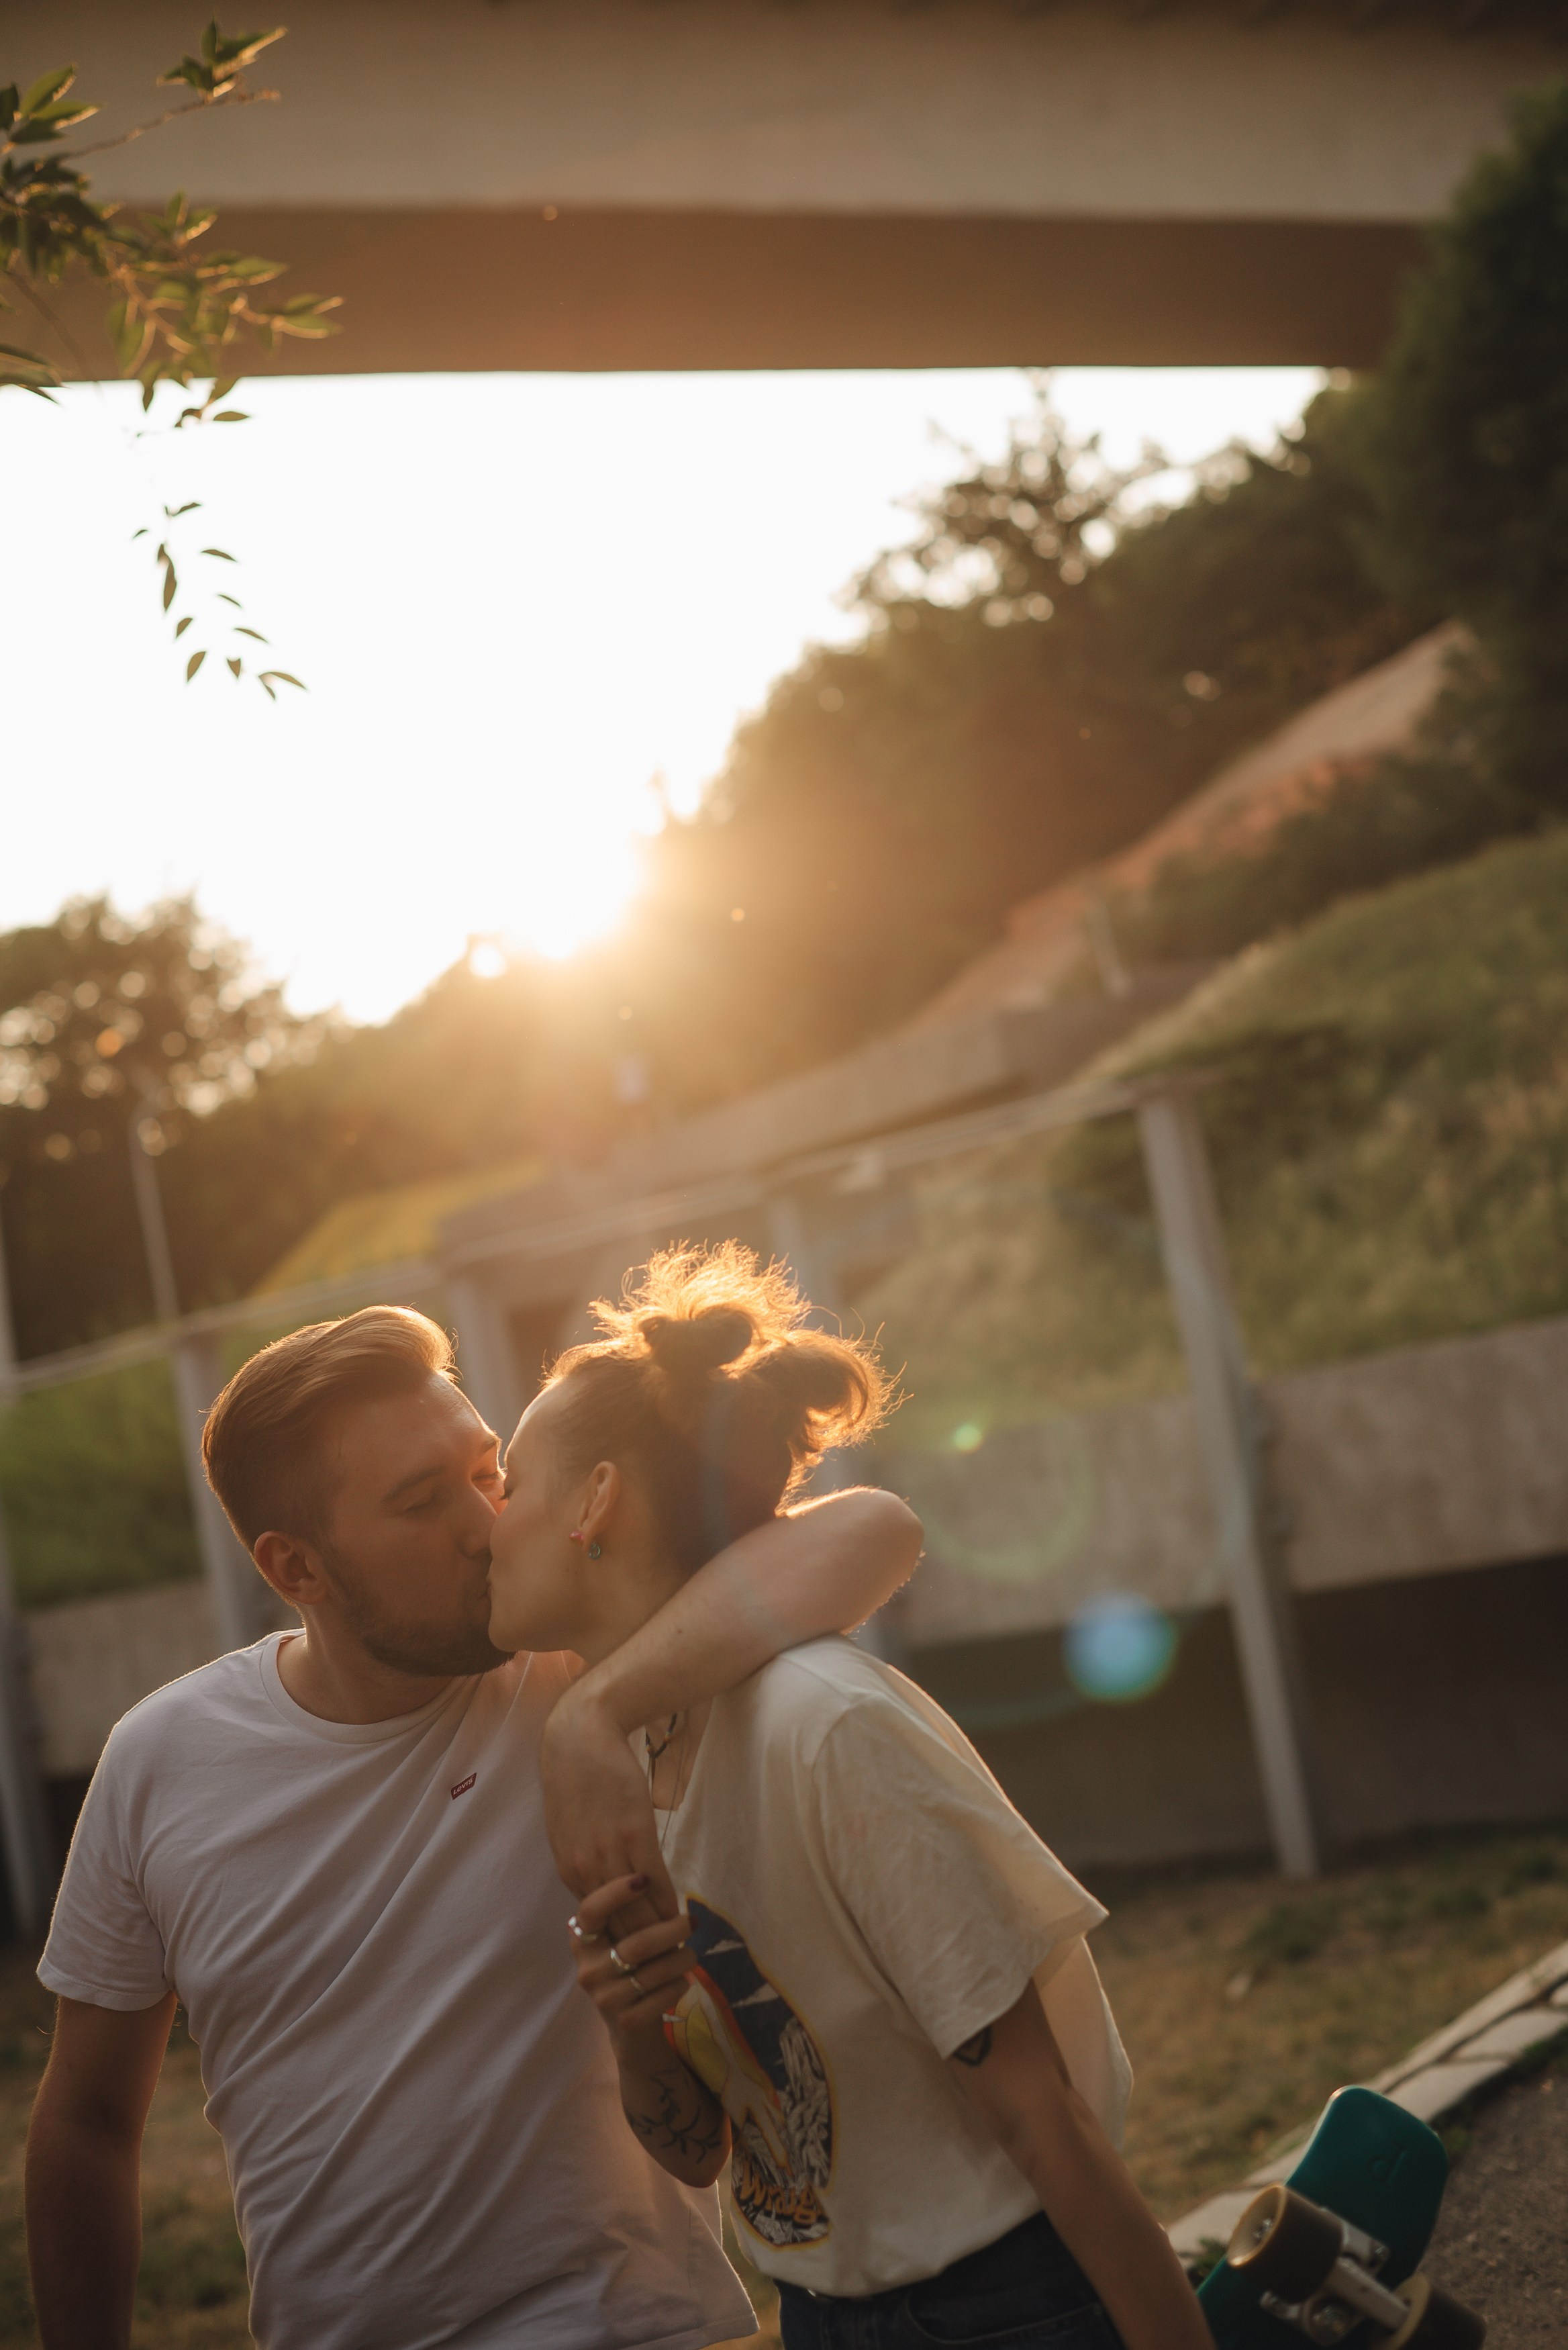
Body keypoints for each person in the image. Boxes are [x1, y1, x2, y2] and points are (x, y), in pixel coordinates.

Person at [26, 1304, 922, 2350]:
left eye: (488, 1470)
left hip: (634, 2329)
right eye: (420, 1502)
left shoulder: (584, 1654)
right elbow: (87, 2122)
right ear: (294, 1570)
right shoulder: (160, 1763)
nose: (486, 1521)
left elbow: (877, 1530)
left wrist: (598, 1710)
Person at [488, 1244, 1212, 2350]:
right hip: (823, 2315)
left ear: (594, 1501)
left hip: (1004, 2308)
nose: (488, 1518)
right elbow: (706, 2154)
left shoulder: (823, 1727)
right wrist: (635, 2032)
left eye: (508, 1484)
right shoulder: (622, 1753)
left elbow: (1038, 2108)